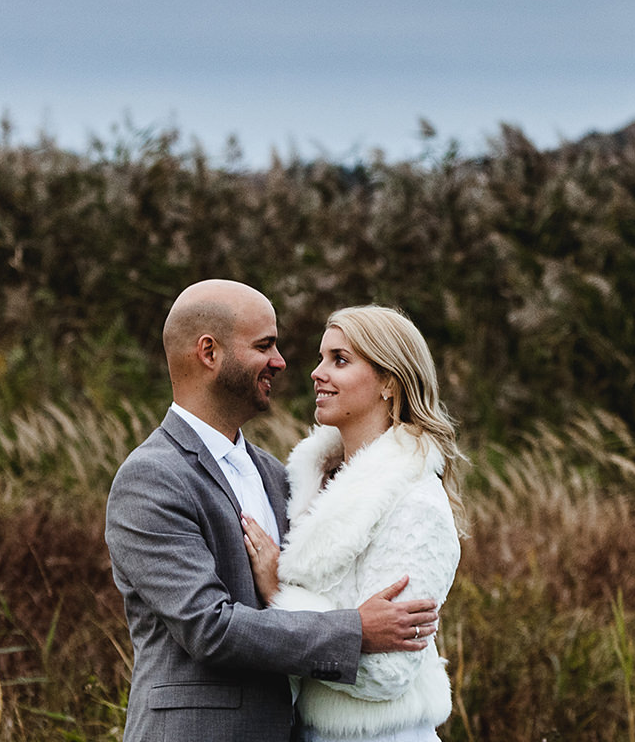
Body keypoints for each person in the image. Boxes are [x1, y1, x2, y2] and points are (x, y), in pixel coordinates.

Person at [106, 280, 440, 742]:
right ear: (209, 353)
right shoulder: (151, 478)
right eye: (265, 346)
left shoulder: (277, 474)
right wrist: (354, 631)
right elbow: (209, 627)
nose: (283, 362)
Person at [239, 306, 465, 742]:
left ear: (388, 383)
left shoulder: (416, 502)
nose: (317, 373)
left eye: (339, 360)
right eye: (322, 358)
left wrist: (278, 594)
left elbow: (388, 670)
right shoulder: (307, 483)